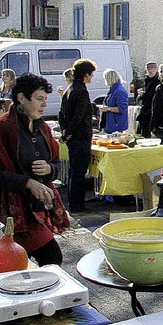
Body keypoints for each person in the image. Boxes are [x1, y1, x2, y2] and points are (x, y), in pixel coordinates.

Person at [0, 73, 70, 266]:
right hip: (8, 212)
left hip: (34, 211)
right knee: (14, 267)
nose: (44, 104)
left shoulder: (42, 128)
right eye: (39, 99)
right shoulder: (1, 128)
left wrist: (49, 169)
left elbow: (56, 162)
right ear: (21, 98)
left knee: (52, 258)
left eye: (45, 99)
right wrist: (27, 183)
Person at [62, 58, 96, 213]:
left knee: (73, 171)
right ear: (86, 74)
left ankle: (73, 202)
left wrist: (65, 132)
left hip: (73, 137)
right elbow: (79, 116)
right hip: (80, 137)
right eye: (91, 74)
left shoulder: (69, 89)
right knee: (78, 172)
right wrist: (69, 132)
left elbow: (61, 115)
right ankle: (77, 205)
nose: (92, 77)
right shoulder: (81, 91)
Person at [100, 68, 129, 133]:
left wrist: (108, 109)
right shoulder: (113, 89)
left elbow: (122, 108)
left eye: (105, 78)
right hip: (111, 124)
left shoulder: (119, 91)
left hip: (116, 126)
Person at [137, 61, 159, 137]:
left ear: (156, 69)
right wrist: (142, 94)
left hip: (153, 111)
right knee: (142, 134)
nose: (151, 71)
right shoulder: (147, 80)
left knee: (149, 135)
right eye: (149, 69)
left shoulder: (158, 81)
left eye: (153, 69)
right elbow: (147, 94)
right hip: (145, 110)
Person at [57, 67, 73, 134]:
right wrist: (62, 95)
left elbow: (66, 105)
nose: (65, 80)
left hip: (68, 121)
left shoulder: (72, 90)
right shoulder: (70, 89)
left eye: (65, 78)